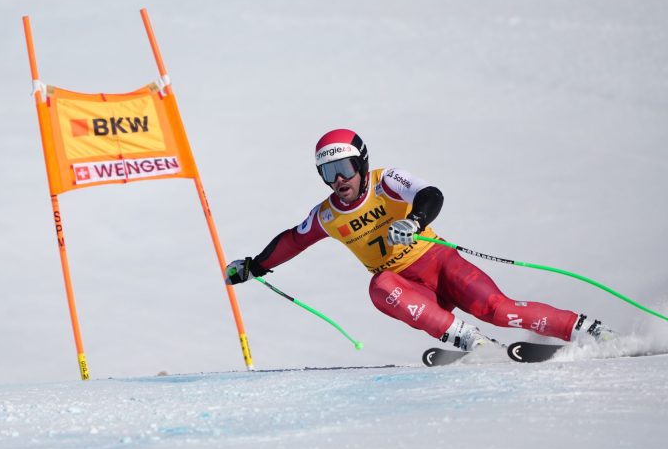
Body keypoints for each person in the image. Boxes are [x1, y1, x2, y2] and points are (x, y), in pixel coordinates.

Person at [225, 128, 614, 352]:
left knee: (496, 310)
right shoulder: (327, 215)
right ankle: (472, 342)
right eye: (329, 172)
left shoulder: (386, 180)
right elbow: (292, 241)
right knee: (380, 286)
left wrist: (414, 221)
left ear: (361, 163)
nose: (339, 179)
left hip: (440, 264)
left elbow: (431, 195)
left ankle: (591, 331)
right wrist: (254, 266)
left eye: (344, 168)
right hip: (410, 289)